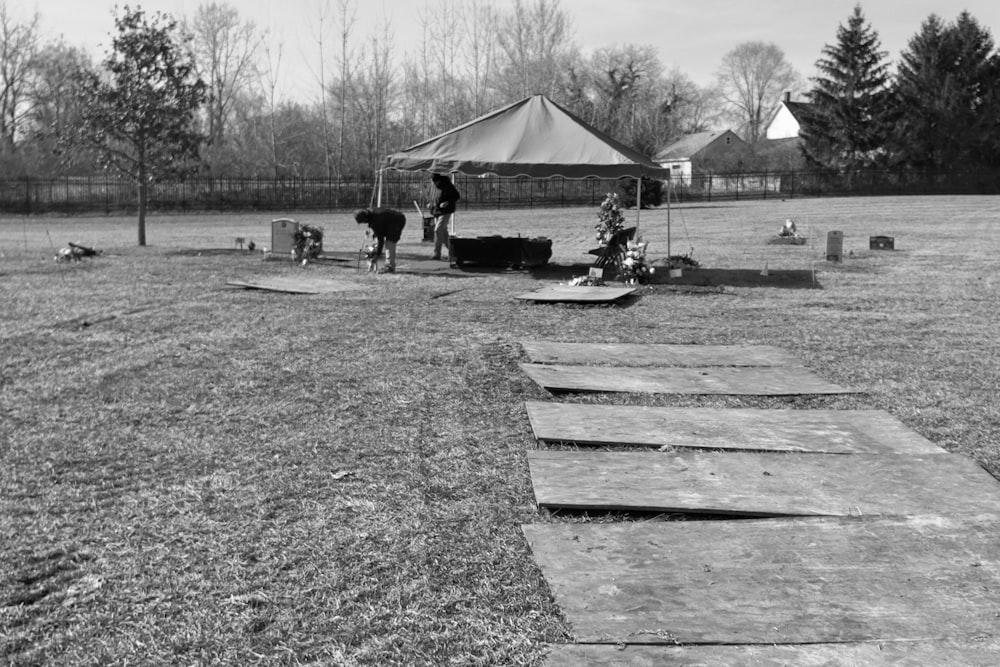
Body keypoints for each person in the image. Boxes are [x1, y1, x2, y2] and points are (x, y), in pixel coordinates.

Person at [354, 207, 406, 273]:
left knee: (390, 241)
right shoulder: (370, 214)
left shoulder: (376, 219)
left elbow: (380, 240)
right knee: (377, 236)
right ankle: (384, 265)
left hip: (398, 220)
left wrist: (377, 255)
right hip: (389, 221)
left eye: (363, 222)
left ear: (365, 219)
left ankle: (390, 267)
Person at [430, 173, 460, 261]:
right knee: (443, 234)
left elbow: (456, 196)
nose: (433, 183)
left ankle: (437, 253)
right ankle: (454, 252)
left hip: (445, 211)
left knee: (438, 230)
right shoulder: (433, 186)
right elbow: (433, 197)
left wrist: (447, 202)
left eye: (434, 181)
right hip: (436, 211)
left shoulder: (448, 186)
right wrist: (431, 204)